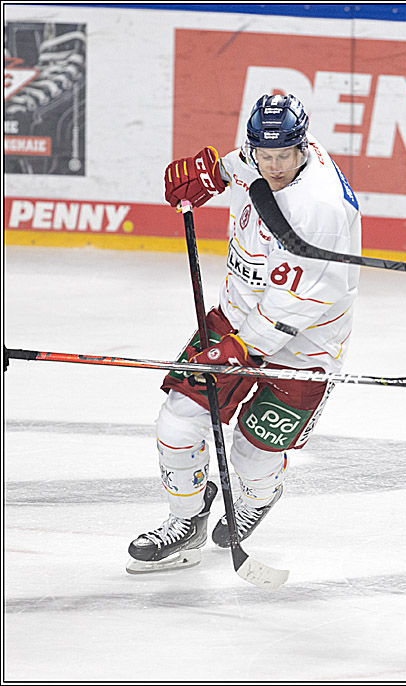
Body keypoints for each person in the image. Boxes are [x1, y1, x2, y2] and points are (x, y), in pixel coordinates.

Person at [126, 93, 362, 573]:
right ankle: (186, 520)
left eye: (284, 156)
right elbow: (236, 168)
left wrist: (241, 348)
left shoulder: (319, 210)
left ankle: (259, 495)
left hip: (306, 346)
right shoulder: (260, 157)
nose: (274, 166)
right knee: (177, 424)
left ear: (303, 147)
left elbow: (299, 302)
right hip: (234, 317)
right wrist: (210, 177)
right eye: (264, 155)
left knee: (253, 455)